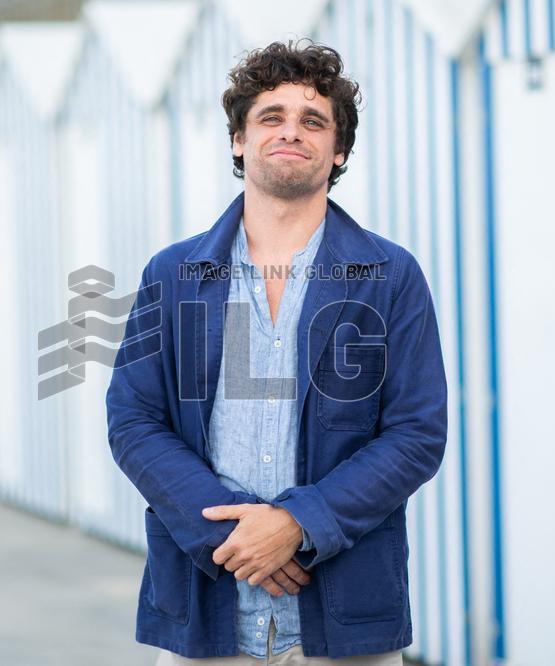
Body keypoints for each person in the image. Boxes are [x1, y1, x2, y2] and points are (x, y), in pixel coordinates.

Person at [106, 40, 447, 664]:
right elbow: (134, 420)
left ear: (337, 151)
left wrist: (297, 525)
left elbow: (416, 434)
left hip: (343, 619)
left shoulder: (390, 275)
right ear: (239, 139)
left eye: (313, 120)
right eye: (272, 116)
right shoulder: (175, 273)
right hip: (206, 607)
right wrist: (233, 537)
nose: (292, 131)